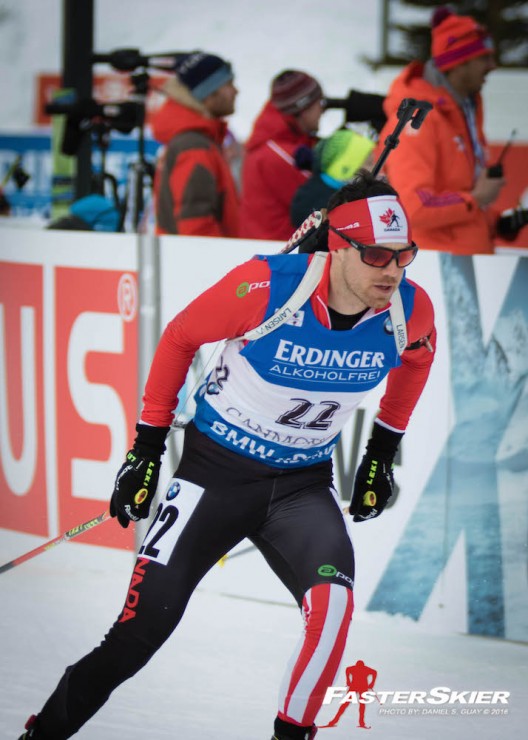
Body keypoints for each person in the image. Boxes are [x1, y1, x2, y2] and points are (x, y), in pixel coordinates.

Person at [18, 169, 436, 740]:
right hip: (214, 477)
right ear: (338, 247)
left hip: (301, 486)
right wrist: (145, 452)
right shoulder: (268, 286)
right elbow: (180, 337)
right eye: (377, 257)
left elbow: (415, 364)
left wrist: (378, 456)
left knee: (332, 610)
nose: (393, 271)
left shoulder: (409, 310)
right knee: (136, 638)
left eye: (403, 255)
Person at [377, 6, 527, 254]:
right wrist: (476, 199)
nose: (493, 66)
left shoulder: (463, 110)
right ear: (459, 62)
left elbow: (457, 195)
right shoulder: (420, 119)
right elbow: (412, 208)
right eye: (484, 57)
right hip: (435, 273)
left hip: (460, 265)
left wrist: (498, 223)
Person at [150, 50, 240, 237]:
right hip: (204, 263)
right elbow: (196, 228)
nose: (235, 91)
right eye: (228, 84)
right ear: (208, 93)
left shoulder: (196, 139)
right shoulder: (194, 146)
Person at [240, 69, 324, 241]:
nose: (322, 111)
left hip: (277, 251)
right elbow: (326, 200)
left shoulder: (285, 143)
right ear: (303, 109)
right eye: (319, 103)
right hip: (278, 255)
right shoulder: (278, 154)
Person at [290, 128, 375, 228]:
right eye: (369, 163)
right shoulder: (323, 205)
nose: (375, 168)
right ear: (346, 169)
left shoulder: (319, 189)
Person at [319, 659, 377, 730]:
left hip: (359, 687)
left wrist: (348, 680)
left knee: (351, 704)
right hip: (359, 686)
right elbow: (374, 672)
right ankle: (360, 722)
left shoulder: (354, 668)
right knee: (356, 704)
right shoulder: (364, 669)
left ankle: (335, 721)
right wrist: (371, 683)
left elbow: (347, 669)